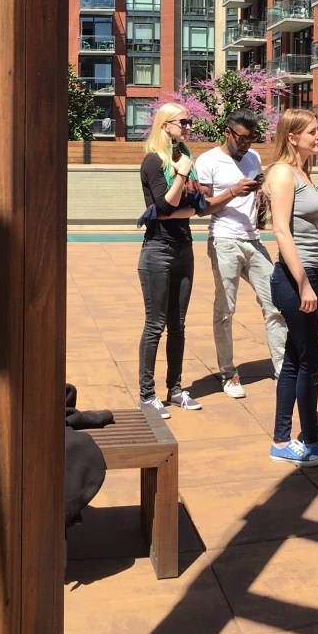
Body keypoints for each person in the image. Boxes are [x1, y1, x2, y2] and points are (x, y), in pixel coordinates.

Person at [261, 108, 318, 467]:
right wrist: (302, 283)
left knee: (297, 360)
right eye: (313, 132)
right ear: (292, 137)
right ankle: (311, 439)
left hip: (310, 272)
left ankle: (283, 440)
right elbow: (281, 231)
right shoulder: (283, 172)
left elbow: (300, 225)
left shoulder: (302, 171)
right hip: (294, 277)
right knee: (312, 360)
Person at [193, 110, 282, 398]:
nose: (246, 144)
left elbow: (257, 197)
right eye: (242, 138)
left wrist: (260, 198)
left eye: (251, 139)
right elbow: (202, 208)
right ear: (228, 132)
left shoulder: (254, 158)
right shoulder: (207, 160)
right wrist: (233, 191)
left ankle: (283, 368)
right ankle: (228, 373)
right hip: (224, 240)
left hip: (253, 240)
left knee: (276, 303)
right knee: (226, 310)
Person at [138, 103, 204, 420]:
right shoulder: (153, 162)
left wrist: (180, 201)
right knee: (156, 324)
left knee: (178, 326)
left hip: (184, 248)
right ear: (166, 126)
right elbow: (165, 207)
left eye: (190, 122)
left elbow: (197, 205)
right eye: (183, 122)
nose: (189, 127)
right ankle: (147, 395)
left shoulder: (183, 158)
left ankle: (175, 389)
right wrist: (180, 175)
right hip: (158, 250)